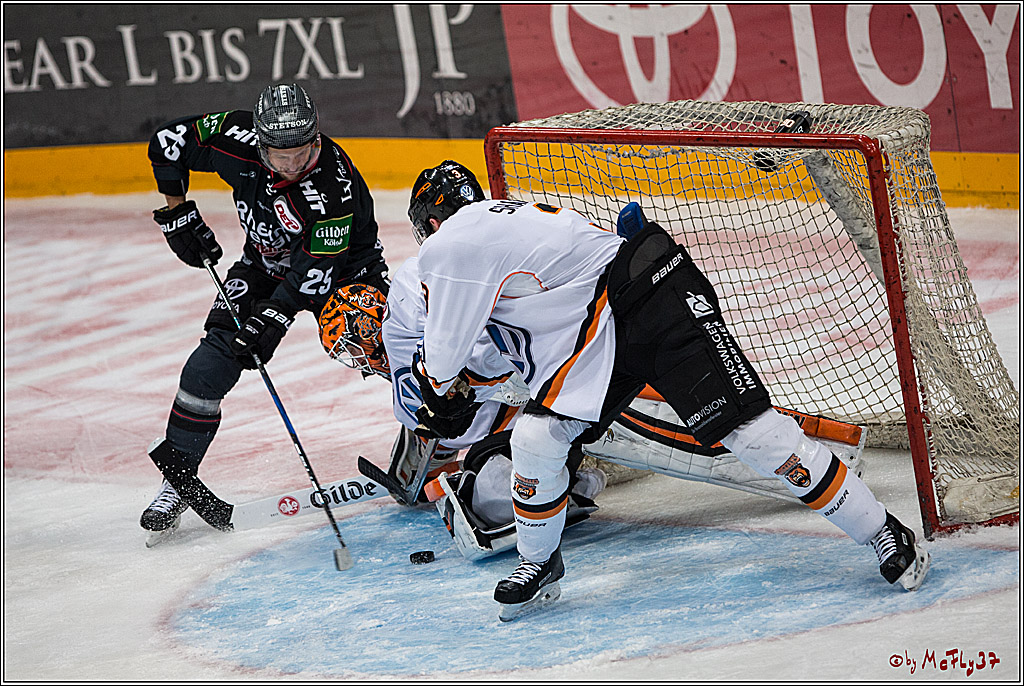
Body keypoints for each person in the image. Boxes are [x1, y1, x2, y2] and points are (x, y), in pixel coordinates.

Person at [404, 160, 931, 621]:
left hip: (653, 300)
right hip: (604, 326)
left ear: (431, 223)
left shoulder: (451, 245)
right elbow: (507, 353)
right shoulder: (500, 231)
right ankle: (538, 561)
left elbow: (446, 357)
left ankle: (884, 530)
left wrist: (438, 391)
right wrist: (460, 384)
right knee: (537, 439)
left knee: (755, 435)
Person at [140, 83, 389, 537]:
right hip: (264, 264)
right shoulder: (234, 136)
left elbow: (313, 274)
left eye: (303, 152)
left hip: (345, 272)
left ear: (317, 137)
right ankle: (176, 480)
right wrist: (177, 213)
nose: (294, 164)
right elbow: (166, 142)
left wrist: (271, 319)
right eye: (281, 155)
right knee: (206, 367)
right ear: (260, 141)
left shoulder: (333, 185)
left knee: (371, 334)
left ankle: (450, 431)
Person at [315, 258, 607, 561]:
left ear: (368, 327)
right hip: (533, 386)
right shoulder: (416, 323)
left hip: (546, 393)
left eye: (351, 348)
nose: (358, 360)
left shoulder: (423, 336)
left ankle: (571, 478)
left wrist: (442, 471)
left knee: (489, 500)